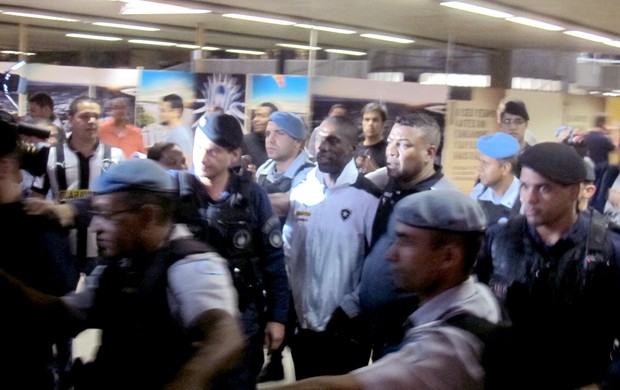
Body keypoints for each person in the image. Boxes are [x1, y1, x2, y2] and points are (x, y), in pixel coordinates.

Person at [0, 158, 244, 389]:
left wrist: (187, 382)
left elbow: (225, 338)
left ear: (148, 216)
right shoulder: (119, 266)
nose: (95, 227)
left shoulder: (190, 264)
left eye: (105, 215)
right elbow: (63, 315)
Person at [273, 190, 502, 390]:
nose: (390, 254)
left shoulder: (446, 348)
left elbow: (341, 387)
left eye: (406, 241)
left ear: (448, 257)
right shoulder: (478, 296)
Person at [475, 142, 620, 389]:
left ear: (574, 192)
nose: (529, 199)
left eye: (544, 189)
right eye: (525, 186)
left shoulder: (609, 249)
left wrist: (604, 383)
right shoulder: (498, 239)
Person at [187, 112, 289, 390]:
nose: (201, 158)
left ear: (234, 155)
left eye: (212, 151)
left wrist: (277, 318)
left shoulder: (252, 197)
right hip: (189, 320)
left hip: (242, 318)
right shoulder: (177, 189)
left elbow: (274, 261)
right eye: (197, 148)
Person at [284, 115, 381, 379]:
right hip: (303, 327)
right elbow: (288, 249)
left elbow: (377, 267)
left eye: (333, 140)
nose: (322, 146)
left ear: (353, 148)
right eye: (319, 138)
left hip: (345, 330)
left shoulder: (369, 198)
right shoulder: (303, 191)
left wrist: (349, 310)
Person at [355, 112, 457, 360]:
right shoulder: (389, 182)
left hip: (413, 338)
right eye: (390, 141)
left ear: (429, 153)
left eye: (404, 145)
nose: (391, 150)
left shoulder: (442, 203)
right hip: (376, 329)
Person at [0, 118, 77, 390]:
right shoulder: (42, 224)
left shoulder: (40, 225)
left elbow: (59, 307)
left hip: (24, 370)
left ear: (6, 165)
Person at [30, 95, 125, 274]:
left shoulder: (115, 156)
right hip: (62, 245)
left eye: (96, 117)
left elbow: (122, 199)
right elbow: (37, 198)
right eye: (84, 116)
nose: (91, 121)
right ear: (70, 120)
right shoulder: (51, 155)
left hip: (101, 246)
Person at [254, 111, 314, 382]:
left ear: (299, 142)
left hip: (301, 257)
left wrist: (252, 197)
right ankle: (275, 360)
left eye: (279, 133)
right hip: (272, 255)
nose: (270, 139)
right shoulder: (264, 170)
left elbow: (288, 202)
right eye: (268, 133)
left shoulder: (310, 172)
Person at [470, 132, 521, 225]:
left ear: (505, 168)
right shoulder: (478, 192)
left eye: (485, 163)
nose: (479, 168)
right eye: (480, 162)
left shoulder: (525, 199)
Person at [160, 93, 193, 170]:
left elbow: (187, 163)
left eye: (163, 111)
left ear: (176, 112)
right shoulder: (179, 130)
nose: (161, 114)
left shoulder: (180, 134)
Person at [242, 102, 279, 168]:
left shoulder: (281, 142)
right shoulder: (245, 142)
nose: (255, 119)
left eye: (262, 116)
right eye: (255, 116)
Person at [355, 102, 388, 174]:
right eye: (367, 119)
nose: (370, 124)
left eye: (375, 120)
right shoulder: (354, 149)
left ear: (383, 123)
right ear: (362, 122)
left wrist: (374, 171)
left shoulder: (389, 151)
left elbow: (395, 183)